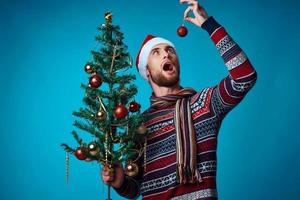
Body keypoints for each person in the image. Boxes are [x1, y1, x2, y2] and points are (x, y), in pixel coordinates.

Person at [101, 0, 257, 199]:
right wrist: (119, 181)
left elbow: (245, 77)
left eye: (170, 50)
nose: (166, 54)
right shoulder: (139, 125)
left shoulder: (204, 104)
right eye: (156, 53)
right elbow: (135, 188)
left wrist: (210, 25)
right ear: (147, 72)